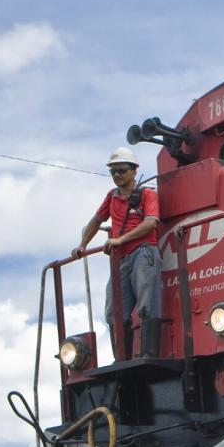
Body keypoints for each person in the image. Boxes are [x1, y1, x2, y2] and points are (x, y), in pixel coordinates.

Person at [76, 146, 161, 359]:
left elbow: (151, 223)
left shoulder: (148, 195)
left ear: (134, 171)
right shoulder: (111, 197)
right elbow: (97, 220)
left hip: (144, 252)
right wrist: (82, 245)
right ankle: (121, 358)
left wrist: (120, 239)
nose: (117, 175)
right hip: (121, 258)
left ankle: (148, 353)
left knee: (147, 303)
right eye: (113, 171)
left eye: (121, 170)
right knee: (114, 310)